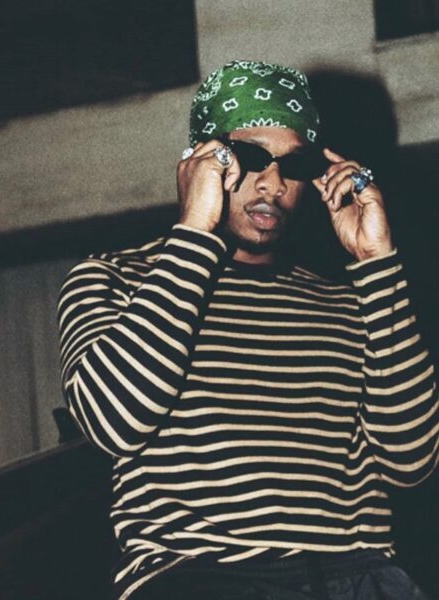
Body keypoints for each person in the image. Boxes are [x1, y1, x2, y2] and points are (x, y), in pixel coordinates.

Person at [57, 60, 438, 600]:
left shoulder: (347, 300)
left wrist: (377, 264)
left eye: (294, 164)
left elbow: (411, 461)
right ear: (201, 161)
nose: (273, 184)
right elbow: (114, 423)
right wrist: (194, 230)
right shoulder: (115, 279)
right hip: (201, 576)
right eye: (252, 158)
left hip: (360, 574)